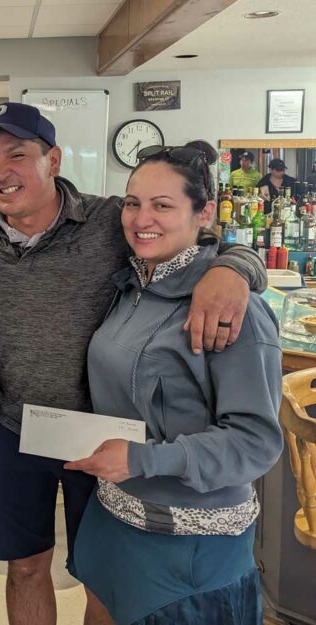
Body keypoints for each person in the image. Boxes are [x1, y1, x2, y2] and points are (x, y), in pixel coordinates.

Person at [0, 102, 267, 625]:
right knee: (25, 567)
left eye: (17, 156)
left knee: (98, 570)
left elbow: (192, 239)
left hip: (97, 430)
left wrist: (235, 269)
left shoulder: (109, 221)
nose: (1, 174)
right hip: (11, 429)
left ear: (54, 160)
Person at [66, 141, 282, 624]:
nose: (142, 218)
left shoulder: (229, 310)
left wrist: (144, 459)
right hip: (112, 517)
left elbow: (255, 443)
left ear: (203, 213)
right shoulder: (131, 286)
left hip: (189, 544)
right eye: (132, 202)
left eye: (163, 205)